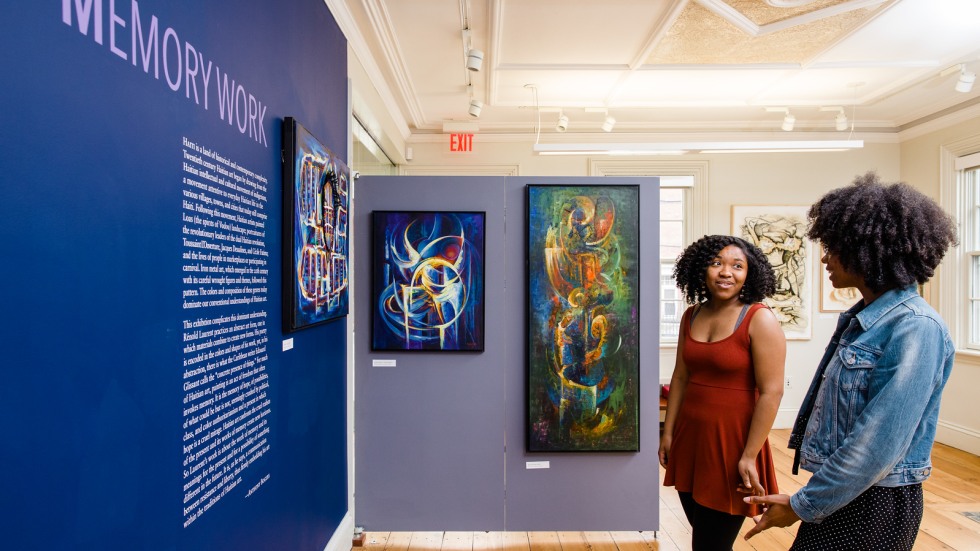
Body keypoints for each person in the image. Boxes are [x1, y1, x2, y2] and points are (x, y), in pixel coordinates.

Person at [744, 172, 958, 550]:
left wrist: (800, 505)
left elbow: (876, 445)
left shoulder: (915, 328)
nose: (825, 257)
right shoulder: (864, 320)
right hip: (844, 491)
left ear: (868, 249)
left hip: (876, 503)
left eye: (833, 246)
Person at [660, 234, 786, 551]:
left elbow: (772, 392)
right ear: (701, 270)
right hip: (691, 440)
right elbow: (681, 375)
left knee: (710, 543)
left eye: (737, 266)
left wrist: (749, 455)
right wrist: (668, 432)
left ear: (749, 274)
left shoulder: (760, 318)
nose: (726, 272)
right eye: (717, 263)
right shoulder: (691, 315)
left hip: (733, 444)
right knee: (702, 532)